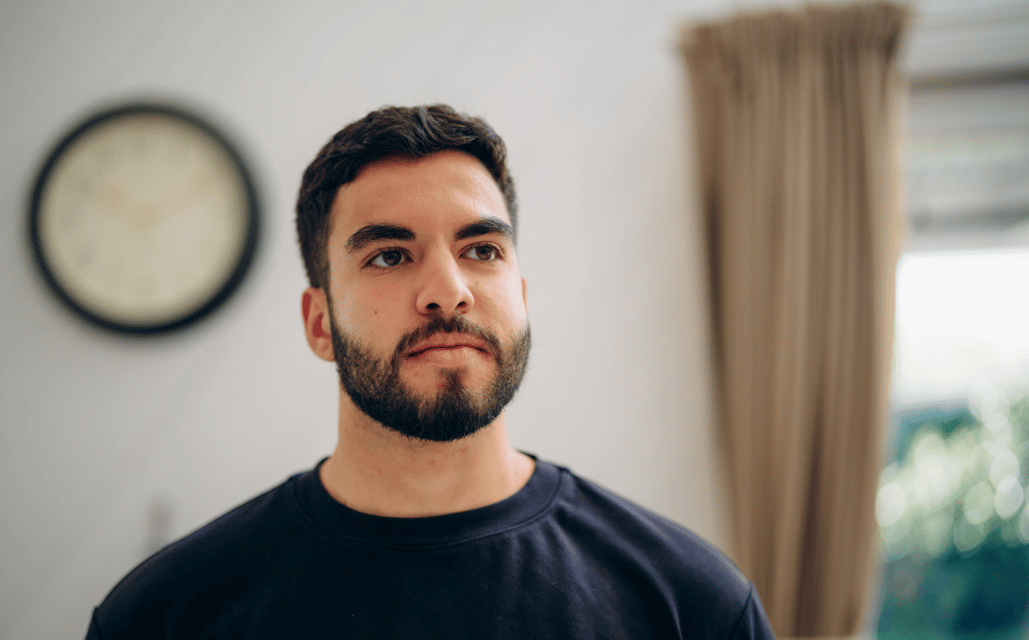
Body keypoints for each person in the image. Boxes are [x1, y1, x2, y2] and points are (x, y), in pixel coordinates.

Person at [84, 104, 776, 639]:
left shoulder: (693, 605)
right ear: (320, 323)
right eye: (389, 255)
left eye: (482, 250)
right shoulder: (165, 617)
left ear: (522, 299)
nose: (449, 292)